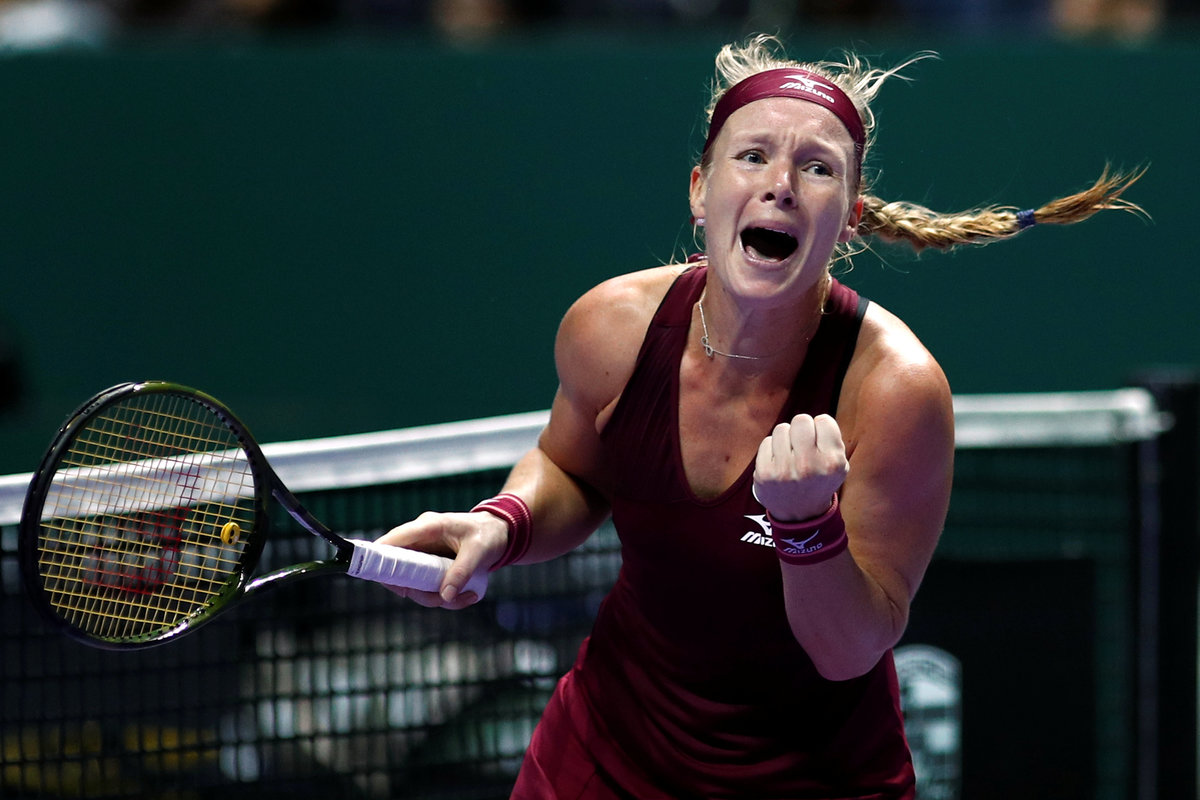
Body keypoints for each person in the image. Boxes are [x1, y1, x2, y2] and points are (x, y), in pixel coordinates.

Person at [376, 34, 1145, 799]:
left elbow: (848, 649)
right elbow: (570, 469)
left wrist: (807, 527)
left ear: (850, 217)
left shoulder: (896, 391)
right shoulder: (610, 327)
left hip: (813, 779)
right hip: (604, 754)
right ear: (700, 191)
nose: (781, 185)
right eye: (752, 156)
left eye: (818, 168)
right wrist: (503, 524)